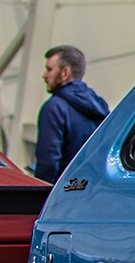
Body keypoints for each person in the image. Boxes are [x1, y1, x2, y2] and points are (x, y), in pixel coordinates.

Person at [34, 45, 111, 182]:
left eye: (49, 69)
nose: (44, 75)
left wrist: (40, 190)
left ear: (65, 73)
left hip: (64, 188)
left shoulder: (54, 107)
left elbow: (48, 162)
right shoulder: (100, 106)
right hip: (93, 187)